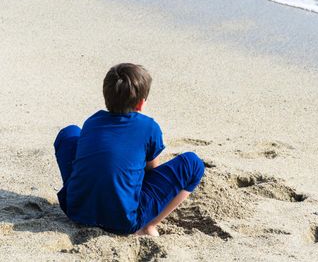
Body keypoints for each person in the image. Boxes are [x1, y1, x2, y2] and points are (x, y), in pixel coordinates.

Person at [53, 63, 204, 236]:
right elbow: (151, 171)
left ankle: (88, 194)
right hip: (123, 222)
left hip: (76, 210)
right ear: (140, 104)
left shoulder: (92, 121)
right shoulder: (149, 127)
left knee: (69, 133)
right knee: (193, 164)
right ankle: (148, 226)